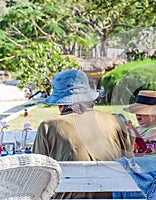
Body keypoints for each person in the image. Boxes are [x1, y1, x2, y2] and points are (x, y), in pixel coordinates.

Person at [32, 69, 134, 199]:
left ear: (60, 104)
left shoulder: (48, 126)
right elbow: (129, 165)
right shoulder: (116, 122)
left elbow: (37, 174)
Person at [123, 90, 156, 154]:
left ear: (153, 115)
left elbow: (143, 147)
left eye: (142, 112)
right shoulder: (138, 128)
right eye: (136, 111)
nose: (138, 114)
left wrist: (132, 131)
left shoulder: (153, 132)